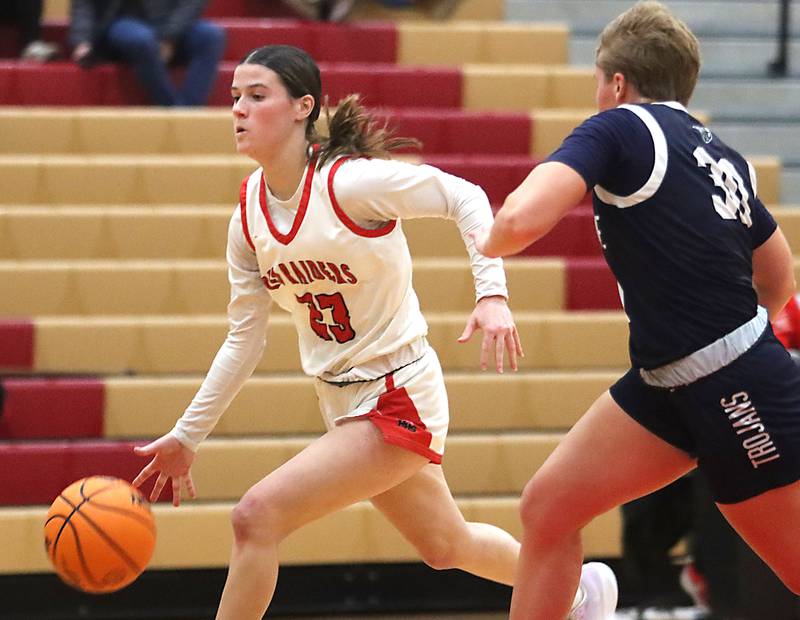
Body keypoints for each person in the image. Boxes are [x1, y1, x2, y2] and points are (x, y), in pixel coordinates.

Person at [130, 43, 618, 620]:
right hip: (341, 400)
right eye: (235, 97)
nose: (238, 109)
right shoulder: (248, 218)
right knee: (446, 546)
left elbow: (464, 196)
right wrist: (187, 437)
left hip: (397, 396)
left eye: (256, 96)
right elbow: (245, 340)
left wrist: (491, 293)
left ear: (301, 108)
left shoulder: (350, 185)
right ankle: (582, 596)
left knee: (255, 516)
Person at [471, 2, 800, 619]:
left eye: (599, 79)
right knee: (549, 507)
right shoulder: (723, 155)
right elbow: (779, 278)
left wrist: (478, 237)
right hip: (667, 382)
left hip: (734, 387)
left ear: (617, 82)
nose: (597, 92)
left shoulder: (617, 126)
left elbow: (516, 222)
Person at [69, 0, 225, 106]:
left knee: (211, 36)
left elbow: (191, 3)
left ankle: (190, 110)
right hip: (120, 22)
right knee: (141, 39)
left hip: (171, 22)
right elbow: (84, 4)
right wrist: (82, 40)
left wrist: (170, 37)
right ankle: (174, 111)